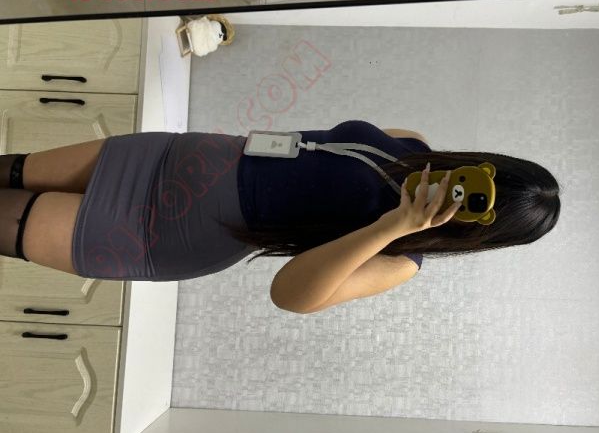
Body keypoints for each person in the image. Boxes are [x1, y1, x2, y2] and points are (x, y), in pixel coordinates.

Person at [0, 119, 561, 314]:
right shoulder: (410, 144)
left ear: (480, 232)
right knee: (11, 168)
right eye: (481, 178)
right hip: (169, 157)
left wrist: (395, 226)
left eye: (477, 206)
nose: (460, 192)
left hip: (162, 230)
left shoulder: (401, 259)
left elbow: (291, 296)